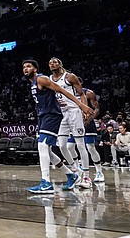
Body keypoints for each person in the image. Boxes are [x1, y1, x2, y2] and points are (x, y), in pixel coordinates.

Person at [22, 59, 93, 194]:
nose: (26, 69)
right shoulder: (33, 83)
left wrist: (82, 105)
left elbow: (62, 90)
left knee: (42, 145)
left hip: (53, 115)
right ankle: (71, 175)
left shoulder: (41, 79)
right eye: (24, 67)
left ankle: (46, 183)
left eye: (29, 66)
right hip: (44, 116)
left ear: (35, 69)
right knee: (48, 150)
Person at [48, 58, 91, 189]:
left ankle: (87, 177)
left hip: (74, 111)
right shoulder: (49, 79)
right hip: (61, 114)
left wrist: (84, 109)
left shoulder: (70, 77)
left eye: (55, 62)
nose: (52, 64)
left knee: (80, 145)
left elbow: (81, 94)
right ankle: (76, 171)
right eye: (50, 63)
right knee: (61, 145)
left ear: (60, 64)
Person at [75, 85, 105, 183]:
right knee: (69, 146)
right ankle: (77, 169)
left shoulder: (88, 93)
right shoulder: (65, 92)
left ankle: (99, 171)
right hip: (74, 121)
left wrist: (90, 117)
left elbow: (97, 108)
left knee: (90, 147)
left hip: (87, 122)